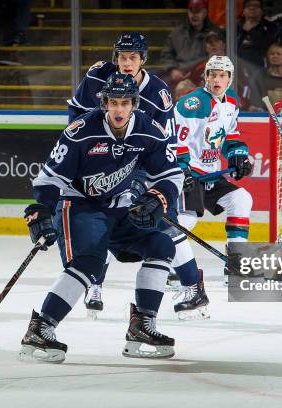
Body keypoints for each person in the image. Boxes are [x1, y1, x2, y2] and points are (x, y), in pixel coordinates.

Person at [19, 73, 184, 362]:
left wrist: (159, 198)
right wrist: (41, 209)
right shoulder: (80, 132)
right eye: (113, 103)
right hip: (80, 204)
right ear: (104, 103)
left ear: (134, 104)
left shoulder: (149, 129)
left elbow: (171, 174)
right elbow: (48, 180)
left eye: (125, 103)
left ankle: (142, 326)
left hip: (120, 206)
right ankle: (41, 328)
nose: (119, 110)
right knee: (90, 262)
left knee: (162, 246)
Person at [66, 32, 209, 320]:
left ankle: (193, 286)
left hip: (141, 166)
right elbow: (76, 114)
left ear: (143, 59)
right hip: (100, 162)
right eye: (122, 57)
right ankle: (94, 284)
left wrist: (177, 169)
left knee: (163, 223)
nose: (127, 63)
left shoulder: (158, 93)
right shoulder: (98, 76)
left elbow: (165, 141)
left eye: (133, 58)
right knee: (101, 219)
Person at [175, 55, 253, 281]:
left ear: (229, 78)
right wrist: (183, 170)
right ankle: (173, 265)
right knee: (186, 219)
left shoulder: (231, 102)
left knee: (241, 199)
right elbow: (177, 142)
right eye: (212, 74)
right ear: (205, 76)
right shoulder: (193, 104)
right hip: (191, 172)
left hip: (211, 172)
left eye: (222, 75)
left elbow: (230, 136)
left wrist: (238, 155)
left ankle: (236, 262)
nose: (217, 79)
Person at [160, 0, 222, 87]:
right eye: (191, 11)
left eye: (198, 12)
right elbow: (167, 54)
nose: (194, 15)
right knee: (153, 78)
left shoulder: (214, 34)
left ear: (204, 13)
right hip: (177, 74)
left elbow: (216, 56)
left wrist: (194, 72)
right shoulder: (177, 33)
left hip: (202, 75)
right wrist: (172, 70)